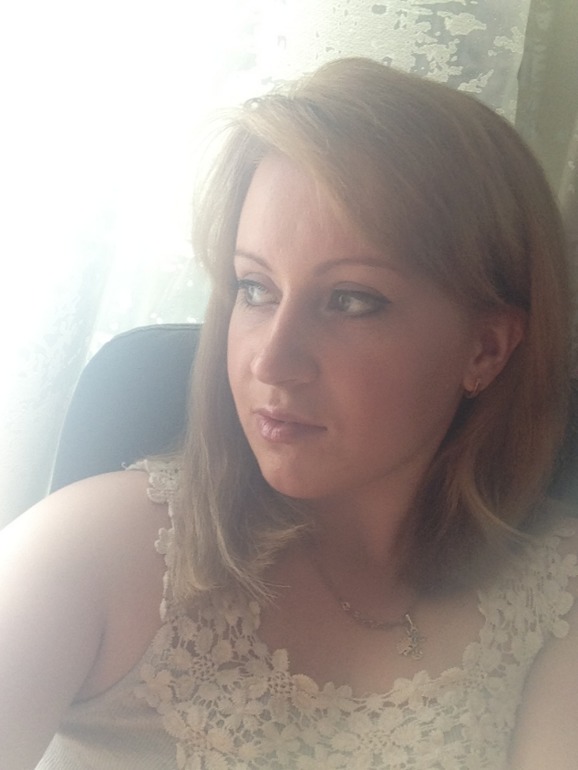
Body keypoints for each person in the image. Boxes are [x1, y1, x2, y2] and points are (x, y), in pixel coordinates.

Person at [1, 57, 577, 770]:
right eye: (254, 288)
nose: (271, 362)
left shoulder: (554, 595)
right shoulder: (93, 551)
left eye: (351, 300)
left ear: (485, 350)